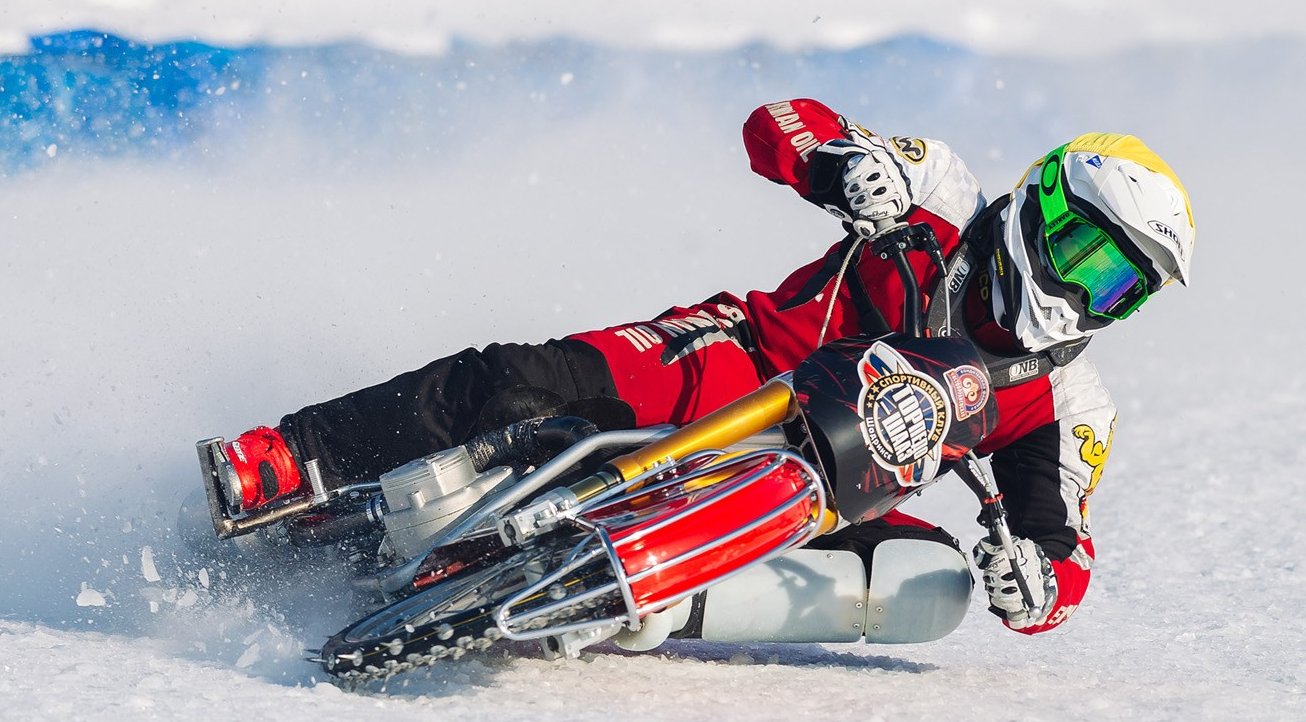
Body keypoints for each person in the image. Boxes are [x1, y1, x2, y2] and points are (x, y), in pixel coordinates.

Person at [212, 98, 1194, 647]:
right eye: (1081, 248)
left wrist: (1036, 581)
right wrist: (848, 165)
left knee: (926, 582)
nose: (1081, 288)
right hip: (735, 361)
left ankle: (626, 601)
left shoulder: (1069, 402)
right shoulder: (941, 190)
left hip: (826, 491)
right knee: (517, 380)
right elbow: (782, 126)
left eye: (1117, 284)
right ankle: (287, 460)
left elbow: (1060, 545)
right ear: (1039, 203)